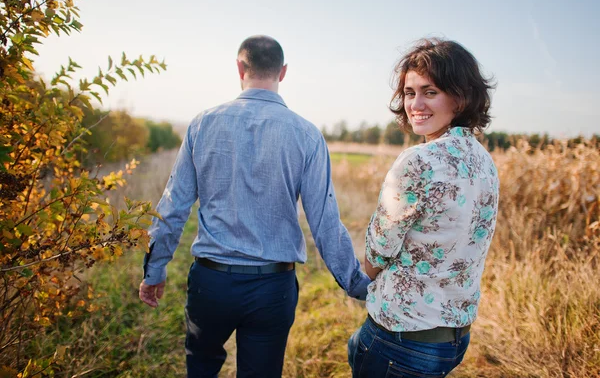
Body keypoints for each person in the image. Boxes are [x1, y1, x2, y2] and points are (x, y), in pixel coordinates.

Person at [138, 35, 370, 378]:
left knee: (200, 369)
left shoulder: (202, 124)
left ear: (239, 67)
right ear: (284, 71)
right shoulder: (306, 134)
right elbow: (325, 222)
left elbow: (173, 205)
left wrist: (155, 269)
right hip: (272, 289)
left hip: (211, 284)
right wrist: (356, 284)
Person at [348, 38, 499, 377]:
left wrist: (356, 281)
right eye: (409, 92)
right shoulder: (484, 161)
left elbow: (380, 248)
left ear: (460, 97)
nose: (415, 104)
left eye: (430, 92)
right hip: (453, 339)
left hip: (402, 336)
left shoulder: (419, 160)